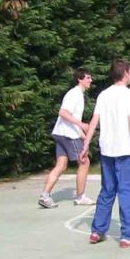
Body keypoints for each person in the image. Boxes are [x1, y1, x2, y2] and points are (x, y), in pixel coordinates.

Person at [80, 59, 130, 248]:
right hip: (125, 150)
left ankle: (97, 231)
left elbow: (94, 120)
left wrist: (86, 144)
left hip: (107, 150)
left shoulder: (103, 95)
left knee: (107, 190)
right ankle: (129, 236)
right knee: (128, 191)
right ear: (125, 72)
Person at [39, 68, 95, 209]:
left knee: (61, 165)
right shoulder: (74, 94)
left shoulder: (78, 95)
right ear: (80, 79)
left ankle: (45, 196)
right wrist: (81, 125)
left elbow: (71, 117)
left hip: (61, 133)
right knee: (84, 162)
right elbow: (63, 113)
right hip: (67, 134)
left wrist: (82, 134)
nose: (90, 80)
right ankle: (81, 196)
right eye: (88, 78)